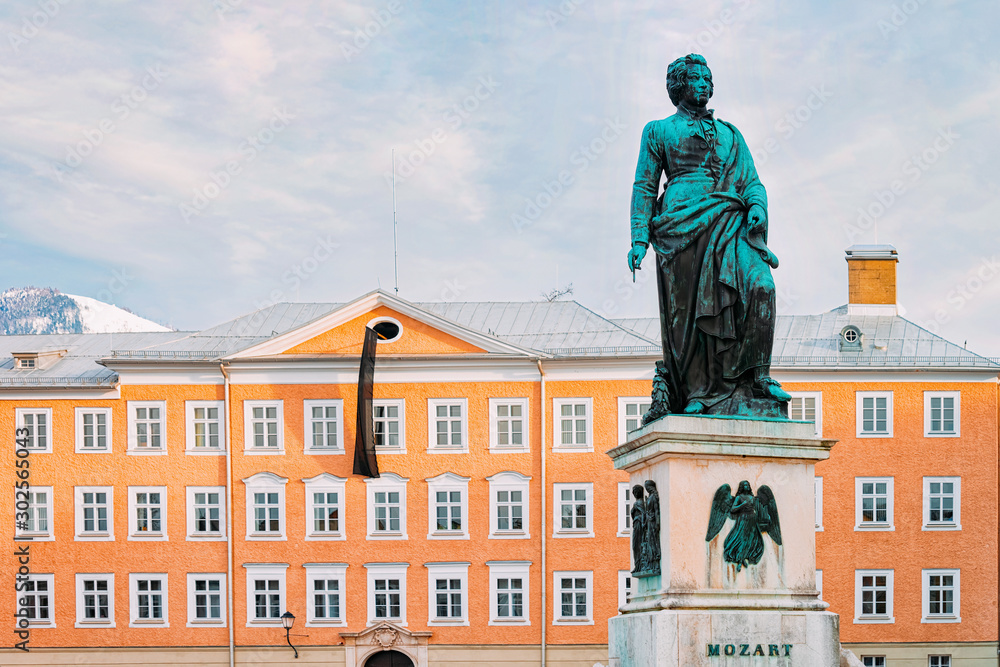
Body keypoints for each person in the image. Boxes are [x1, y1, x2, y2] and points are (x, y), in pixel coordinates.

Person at [627, 54, 791, 418]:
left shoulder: (731, 133)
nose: (704, 84)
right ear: (678, 85)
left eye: (707, 78)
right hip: (681, 229)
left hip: (731, 221)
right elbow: (644, 185)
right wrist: (639, 236)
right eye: (695, 78)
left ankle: (756, 375)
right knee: (692, 318)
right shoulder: (658, 130)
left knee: (761, 286)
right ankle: (702, 390)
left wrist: (757, 208)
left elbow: (751, 181)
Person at [630, 484, 646, 574]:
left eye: (636, 492)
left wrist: (643, 523)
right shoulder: (637, 503)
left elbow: (643, 513)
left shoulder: (639, 503)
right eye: (634, 492)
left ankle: (639, 565)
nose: (634, 494)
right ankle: (638, 565)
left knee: (637, 545)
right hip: (636, 525)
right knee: (635, 546)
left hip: (639, 525)